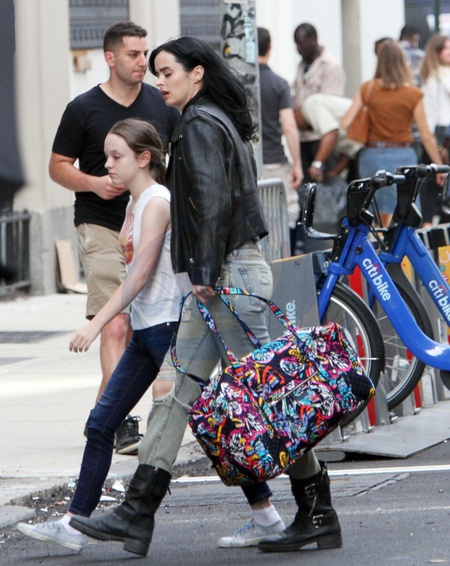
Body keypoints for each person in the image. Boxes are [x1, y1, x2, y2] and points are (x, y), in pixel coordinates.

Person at [68, 36, 342, 558]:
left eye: (167, 72)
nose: (159, 82)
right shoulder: (210, 120)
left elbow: (212, 200)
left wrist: (203, 269)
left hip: (227, 278)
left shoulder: (199, 124)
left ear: (197, 73)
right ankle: (137, 513)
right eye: (157, 73)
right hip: (227, 278)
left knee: (264, 398)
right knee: (183, 393)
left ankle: (318, 510)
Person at [17, 118, 190, 553]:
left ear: (144, 158)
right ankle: (74, 525)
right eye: (107, 156)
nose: (107, 164)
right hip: (147, 331)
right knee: (101, 424)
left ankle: (266, 510)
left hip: (168, 329)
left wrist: (95, 324)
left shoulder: (157, 202)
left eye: (116, 156)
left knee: (206, 427)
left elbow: (139, 275)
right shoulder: (135, 203)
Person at [49, 21, 179, 454]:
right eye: (133, 54)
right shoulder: (83, 108)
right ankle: (119, 422)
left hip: (151, 223)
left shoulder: (159, 102)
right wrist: (94, 183)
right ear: (109, 58)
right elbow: (57, 167)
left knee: (148, 322)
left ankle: (103, 418)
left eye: (145, 53)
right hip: (101, 223)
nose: (143, 62)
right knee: (117, 321)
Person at [342, 39, 445, 228]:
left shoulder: (368, 89)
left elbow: (345, 122)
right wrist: (438, 165)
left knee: (376, 212)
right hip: (402, 156)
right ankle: (396, 246)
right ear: (402, 61)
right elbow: (426, 135)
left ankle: (380, 243)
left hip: (371, 156)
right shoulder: (413, 94)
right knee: (405, 211)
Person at [292, 22, 346, 253]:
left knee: (326, 196)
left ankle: (327, 245)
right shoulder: (302, 65)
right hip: (304, 137)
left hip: (322, 138)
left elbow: (329, 110)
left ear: (313, 40)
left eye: (302, 44)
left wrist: (319, 161)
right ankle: (311, 243)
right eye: (296, 45)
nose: (299, 49)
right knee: (307, 195)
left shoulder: (330, 65)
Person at [257, 27, 303, 255]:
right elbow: (289, 126)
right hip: (274, 161)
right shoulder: (278, 84)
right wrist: (297, 164)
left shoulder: (235, 83)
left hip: (244, 162)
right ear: (270, 47)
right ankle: (282, 262)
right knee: (285, 214)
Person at [419, 33, 450, 226]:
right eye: (445, 48)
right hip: (439, 136)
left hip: (440, 134)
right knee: (432, 188)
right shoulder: (435, 77)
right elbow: (429, 114)